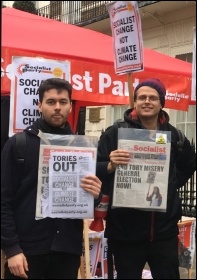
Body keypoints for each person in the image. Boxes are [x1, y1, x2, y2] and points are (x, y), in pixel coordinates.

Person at [1, 78, 102, 279]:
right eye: (51, 102)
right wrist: (12, 249)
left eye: (63, 102)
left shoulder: (82, 148)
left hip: (66, 252)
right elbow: (4, 201)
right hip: (26, 253)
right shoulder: (18, 145)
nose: (57, 107)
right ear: (39, 105)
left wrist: (95, 194)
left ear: (70, 107)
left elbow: (87, 201)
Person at [96, 78, 196, 279]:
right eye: (141, 97)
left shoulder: (174, 135)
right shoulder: (115, 132)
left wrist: (171, 183)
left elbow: (189, 164)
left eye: (153, 97)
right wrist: (109, 165)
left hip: (163, 233)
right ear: (135, 102)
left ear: (161, 103)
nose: (147, 101)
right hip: (125, 232)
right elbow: (93, 168)